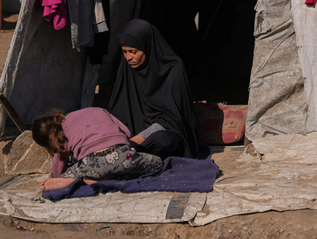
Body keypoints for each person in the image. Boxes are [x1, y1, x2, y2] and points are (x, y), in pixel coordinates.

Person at [106, 19, 200, 159]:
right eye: (125, 52)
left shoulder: (173, 69)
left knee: (166, 141)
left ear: (148, 47)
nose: (128, 57)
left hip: (163, 132)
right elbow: (119, 112)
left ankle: (132, 158)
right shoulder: (127, 69)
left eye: (133, 52)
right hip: (132, 136)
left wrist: (138, 139)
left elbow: (173, 119)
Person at [31, 107, 163, 192]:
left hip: (90, 165)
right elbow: (126, 133)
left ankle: (77, 180)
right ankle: (112, 176)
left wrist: (58, 177)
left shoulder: (61, 132)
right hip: (123, 157)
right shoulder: (98, 109)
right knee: (158, 163)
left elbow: (60, 163)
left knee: (75, 170)